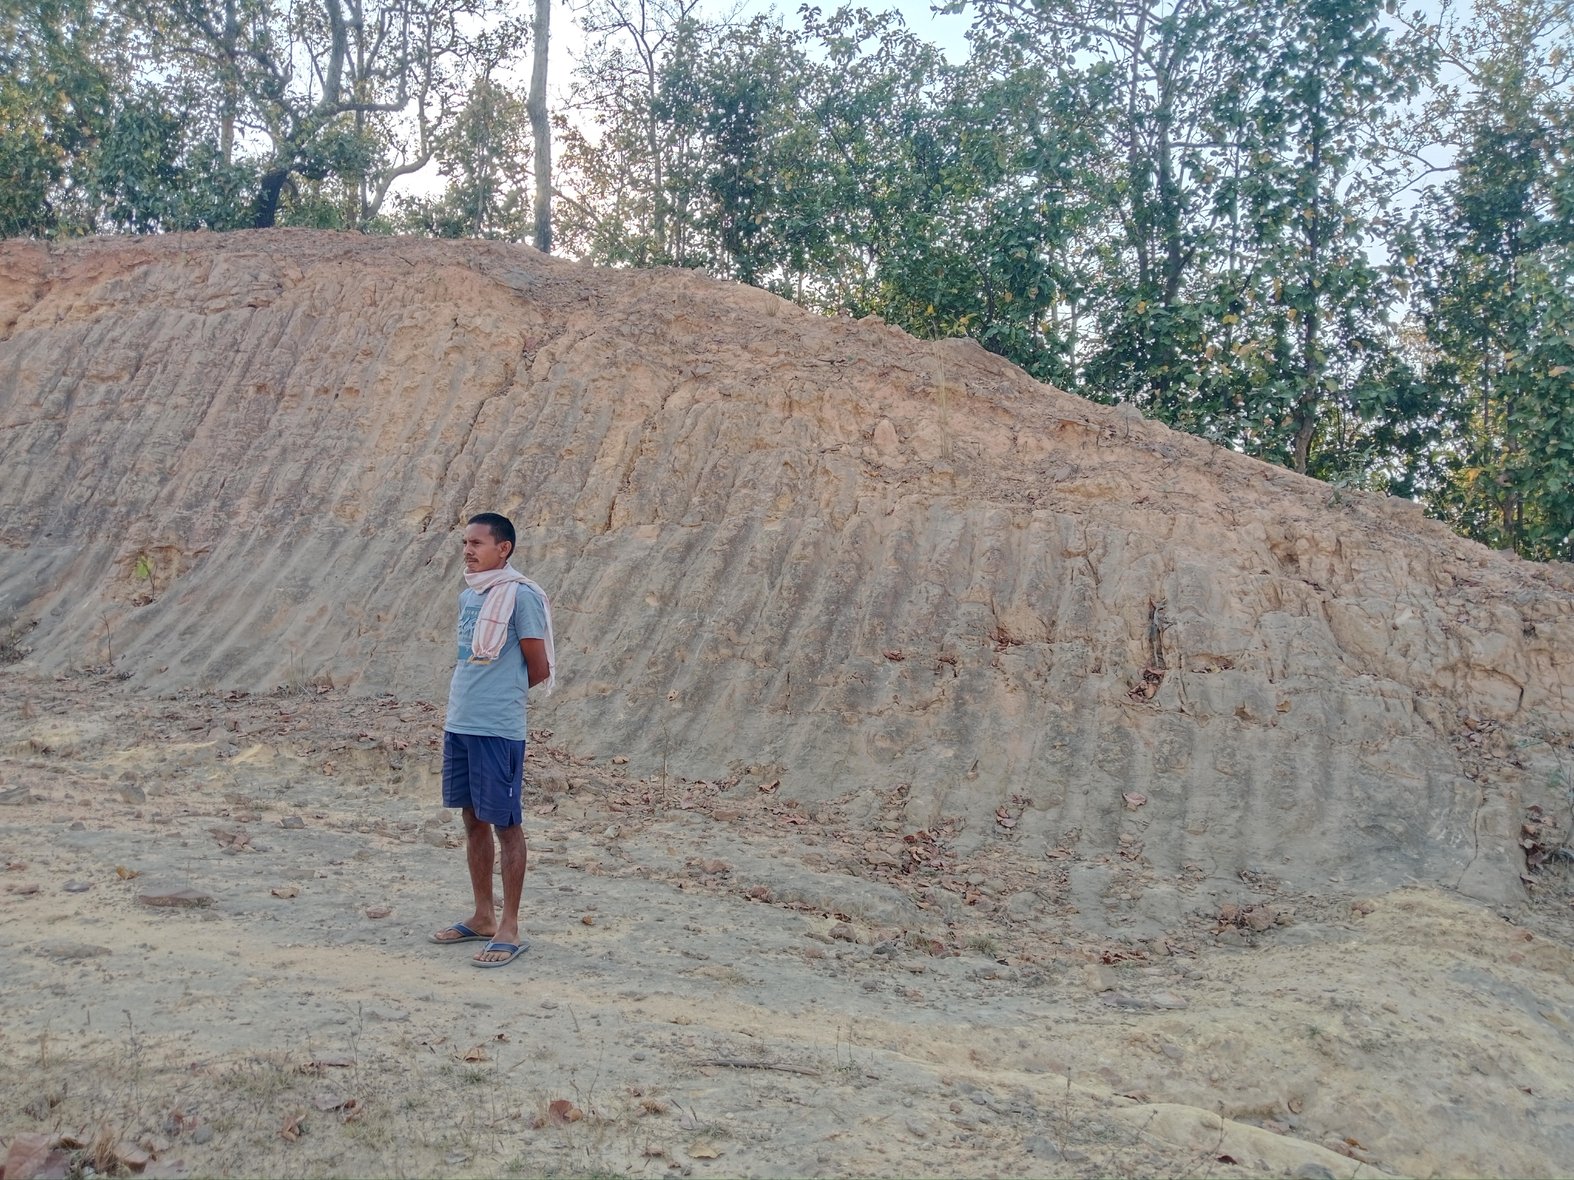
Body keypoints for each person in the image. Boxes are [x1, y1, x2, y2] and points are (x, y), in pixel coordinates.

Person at [429, 512, 555, 967]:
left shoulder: (521, 597)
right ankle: (483, 916)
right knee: (472, 820)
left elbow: (538, 668)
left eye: (478, 543)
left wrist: (499, 697)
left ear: (503, 548)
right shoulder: (470, 596)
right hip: (460, 722)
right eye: (465, 542)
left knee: (506, 824)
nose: (468, 550)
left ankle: (510, 927)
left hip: (497, 728)